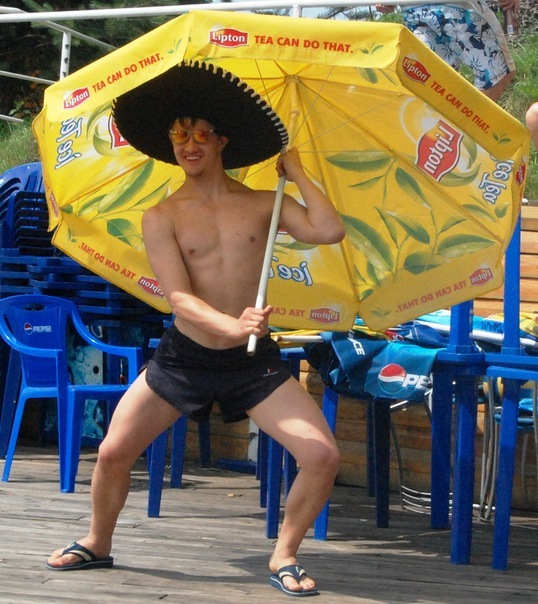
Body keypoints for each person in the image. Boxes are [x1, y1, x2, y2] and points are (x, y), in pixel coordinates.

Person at [46, 115, 344, 598]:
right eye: (179, 135)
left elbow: (329, 230)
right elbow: (178, 299)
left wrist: (298, 173)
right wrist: (232, 325)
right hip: (185, 358)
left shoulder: (264, 204)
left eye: (201, 134)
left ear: (222, 140)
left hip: (252, 362)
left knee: (322, 456)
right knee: (113, 451)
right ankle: (98, 542)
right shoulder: (161, 216)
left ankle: (284, 554)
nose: (189, 144)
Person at [376, 1, 519, 102]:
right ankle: (468, 130)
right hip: (455, 7)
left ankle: (445, 132)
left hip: (414, 12)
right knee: (499, 74)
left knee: (436, 83)